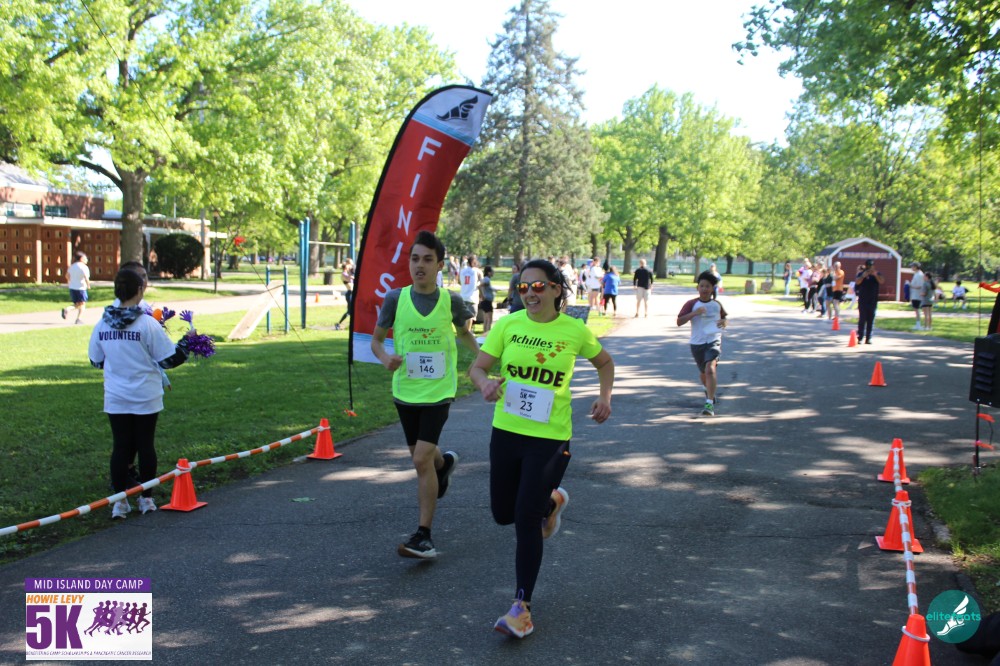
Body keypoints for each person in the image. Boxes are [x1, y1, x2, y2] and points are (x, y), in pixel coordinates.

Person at [469, 258, 614, 639]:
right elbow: (477, 367)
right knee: (503, 513)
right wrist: (484, 383)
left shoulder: (573, 330)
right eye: (523, 287)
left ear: (554, 289)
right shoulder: (508, 325)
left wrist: (605, 397)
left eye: (537, 286)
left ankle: (521, 609)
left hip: (550, 438)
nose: (529, 293)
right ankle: (552, 503)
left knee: (525, 518)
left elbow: (604, 362)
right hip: (507, 432)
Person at [370, 230, 479, 559]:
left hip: (439, 390)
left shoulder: (451, 301)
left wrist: (484, 362)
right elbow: (376, 340)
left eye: (428, 260)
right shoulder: (395, 299)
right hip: (405, 390)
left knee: (420, 460)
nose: (420, 265)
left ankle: (424, 536)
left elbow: (465, 334)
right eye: (415, 259)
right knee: (425, 457)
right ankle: (443, 465)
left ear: (440, 265)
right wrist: (384, 358)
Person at [88, 267, 196, 519]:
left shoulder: (102, 324)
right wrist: (187, 341)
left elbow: (96, 360)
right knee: (145, 444)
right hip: (146, 395)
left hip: (116, 395)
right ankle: (146, 498)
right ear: (139, 290)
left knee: (121, 447)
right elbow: (169, 359)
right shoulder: (147, 323)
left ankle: (119, 502)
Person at [677, 270, 729, 417]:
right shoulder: (692, 304)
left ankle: (709, 404)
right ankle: (709, 391)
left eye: (708, 286)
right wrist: (695, 313)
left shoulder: (716, 304)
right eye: (702, 286)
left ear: (712, 289)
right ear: (697, 288)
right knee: (703, 373)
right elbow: (679, 321)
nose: (704, 289)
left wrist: (724, 322)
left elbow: (724, 318)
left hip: (713, 340)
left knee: (710, 369)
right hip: (697, 343)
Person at [855, 259, 884, 344]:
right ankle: (860, 337)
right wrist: (863, 276)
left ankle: (868, 338)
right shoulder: (861, 274)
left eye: (871, 266)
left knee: (871, 319)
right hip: (863, 300)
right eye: (868, 266)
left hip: (873, 300)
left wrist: (875, 275)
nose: (870, 267)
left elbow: (882, 281)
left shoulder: (877, 274)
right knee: (862, 319)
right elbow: (857, 282)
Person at [62, 251, 91, 324]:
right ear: (81, 259)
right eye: (85, 258)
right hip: (81, 288)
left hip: (72, 287)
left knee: (78, 304)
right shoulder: (84, 267)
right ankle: (78, 319)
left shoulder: (72, 266)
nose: (86, 260)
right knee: (82, 304)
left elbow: (67, 276)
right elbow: (86, 277)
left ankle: (67, 309)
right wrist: (88, 285)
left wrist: (71, 281)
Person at [459, 255, 483, 322]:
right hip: (472, 297)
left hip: (463, 296)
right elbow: (482, 283)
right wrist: (482, 294)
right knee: (471, 318)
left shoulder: (462, 270)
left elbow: (459, 282)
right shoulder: (477, 271)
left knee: (464, 318)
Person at [335, 259, 354, 331]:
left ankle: (352, 325)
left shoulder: (348, 273)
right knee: (349, 312)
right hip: (349, 294)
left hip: (352, 293)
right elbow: (350, 278)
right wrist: (351, 272)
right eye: (348, 266)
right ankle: (338, 324)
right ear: (346, 267)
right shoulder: (344, 274)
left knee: (353, 311)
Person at [909, 262, 925, 330]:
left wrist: (910, 285)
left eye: (912, 266)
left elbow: (920, 286)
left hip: (917, 295)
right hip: (915, 294)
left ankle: (919, 325)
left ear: (916, 267)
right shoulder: (916, 274)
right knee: (916, 309)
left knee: (917, 309)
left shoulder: (919, 275)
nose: (911, 268)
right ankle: (917, 324)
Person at [480, 265, 496, 333]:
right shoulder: (487, 279)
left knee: (486, 319)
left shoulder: (485, 279)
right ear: (489, 272)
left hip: (485, 301)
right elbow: (480, 286)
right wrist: (482, 295)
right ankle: (487, 334)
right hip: (487, 301)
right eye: (492, 271)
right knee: (489, 320)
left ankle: (484, 333)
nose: (493, 272)